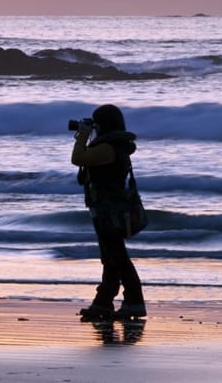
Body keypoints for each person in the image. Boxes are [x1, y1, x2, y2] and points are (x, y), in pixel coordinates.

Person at [72, 104, 146, 321]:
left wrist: (82, 136)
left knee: (118, 258)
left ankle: (134, 301)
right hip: (107, 208)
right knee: (111, 258)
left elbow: (78, 158)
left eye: (96, 123)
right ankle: (103, 303)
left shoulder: (108, 148)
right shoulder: (112, 145)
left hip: (109, 210)